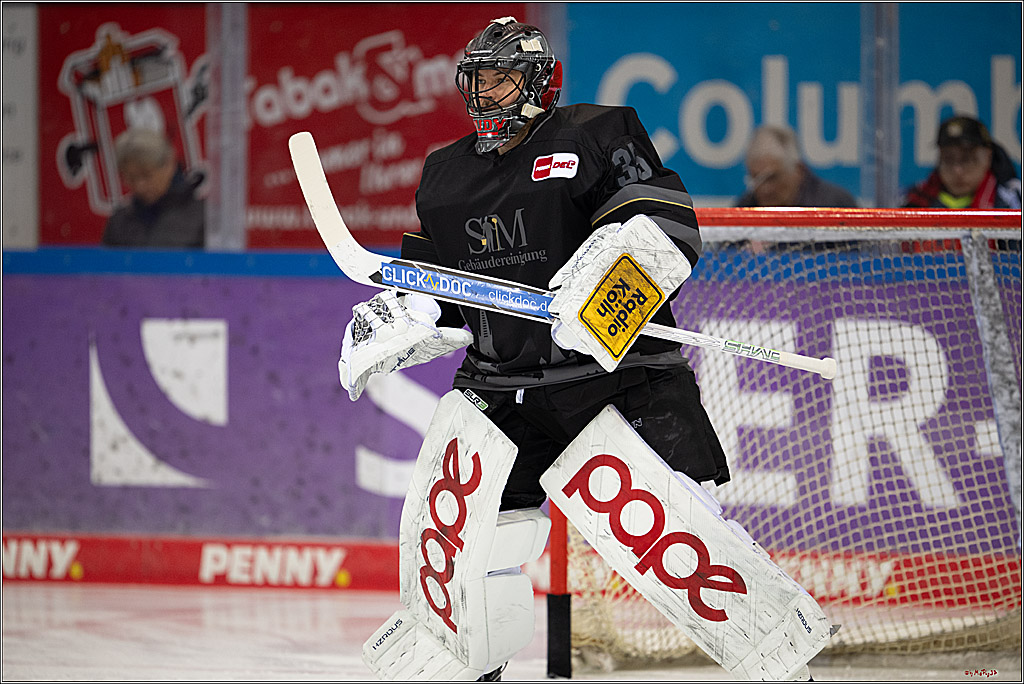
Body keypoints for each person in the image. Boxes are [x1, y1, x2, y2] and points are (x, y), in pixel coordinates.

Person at [341, 17, 824, 682]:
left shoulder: (597, 133)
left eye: (501, 77)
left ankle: (778, 654)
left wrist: (604, 288)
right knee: (457, 536)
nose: (485, 93)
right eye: (476, 79)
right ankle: (464, 664)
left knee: (672, 531)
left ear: (541, 82)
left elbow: (666, 226)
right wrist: (406, 314)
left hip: (616, 375)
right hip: (501, 385)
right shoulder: (444, 173)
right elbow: (439, 284)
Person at [101, 127, 205, 248]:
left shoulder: (202, 218)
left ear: (169, 164)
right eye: (131, 178)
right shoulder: (119, 222)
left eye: (146, 175)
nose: (139, 185)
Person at [902, 114, 1022, 210]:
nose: (957, 170)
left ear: (988, 157)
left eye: (967, 159)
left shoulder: (1012, 201)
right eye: (948, 159)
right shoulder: (911, 200)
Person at [735, 124, 858, 208]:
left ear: (798, 170)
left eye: (772, 178)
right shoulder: (743, 209)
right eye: (756, 178)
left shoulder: (835, 207)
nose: (765, 189)